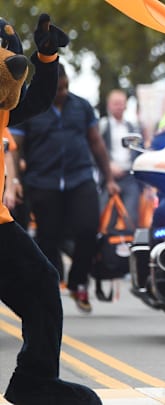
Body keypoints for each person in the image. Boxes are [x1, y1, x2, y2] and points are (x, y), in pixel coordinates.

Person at [0, 14, 101, 403]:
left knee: (42, 286)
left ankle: (35, 380)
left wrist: (45, 58)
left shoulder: (3, 110)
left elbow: (38, 100)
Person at [12, 63, 120, 314]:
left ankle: (78, 281)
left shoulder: (81, 106)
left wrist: (109, 178)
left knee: (88, 228)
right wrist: (15, 179)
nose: (62, 92)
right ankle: (49, 290)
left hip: (79, 177)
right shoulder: (29, 106)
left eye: (65, 87)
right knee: (48, 237)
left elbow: (96, 143)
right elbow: (15, 147)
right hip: (42, 181)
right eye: (58, 88)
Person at [98, 89, 141, 227]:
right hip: (108, 178)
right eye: (115, 103)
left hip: (129, 177)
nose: (119, 107)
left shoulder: (132, 127)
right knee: (105, 217)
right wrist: (108, 165)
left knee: (131, 218)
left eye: (121, 103)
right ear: (109, 105)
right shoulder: (102, 126)